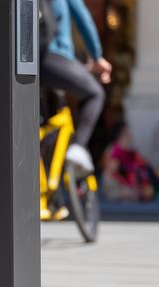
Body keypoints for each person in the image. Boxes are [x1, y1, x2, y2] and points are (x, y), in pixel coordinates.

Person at [40, 0, 112, 174]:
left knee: (44, 125)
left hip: (27, 61)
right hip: (55, 57)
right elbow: (83, 19)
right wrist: (97, 56)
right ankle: (78, 148)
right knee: (95, 94)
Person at [101, 124, 159, 203]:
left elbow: (143, 164)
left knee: (158, 175)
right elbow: (113, 170)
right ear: (120, 135)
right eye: (127, 133)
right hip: (121, 190)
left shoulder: (132, 151)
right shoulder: (114, 150)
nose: (130, 136)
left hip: (137, 187)